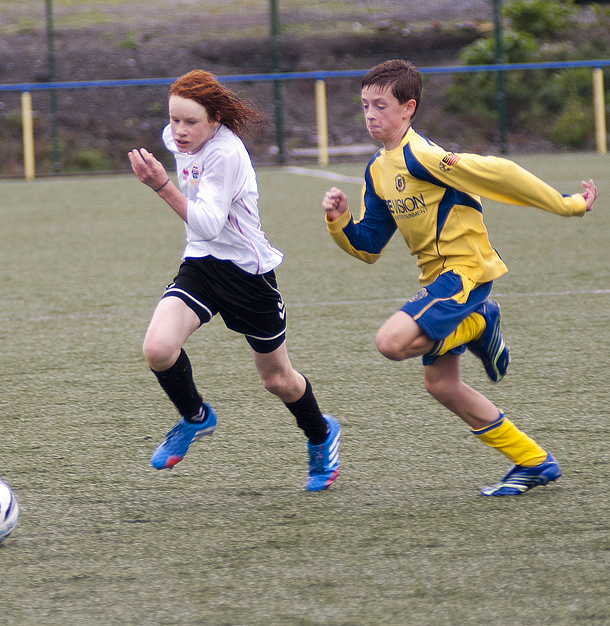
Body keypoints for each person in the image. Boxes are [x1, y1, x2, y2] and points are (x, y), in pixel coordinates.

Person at [322, 59, 597, 496]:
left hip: (464, 270)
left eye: (380, 105)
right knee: (442, 385)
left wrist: (569, 204)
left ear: (408, 108)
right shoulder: (377, 169)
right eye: (364, 105)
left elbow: (500, 173)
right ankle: (533, 461)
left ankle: (480, 321)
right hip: (438, 278)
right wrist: (339, 223)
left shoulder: (424, 156)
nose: (370, 114)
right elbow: (368, 247)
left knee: (390, 342)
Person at [128, 70, 341, 491]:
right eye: (174, 120)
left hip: (248, 274)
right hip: (202, 265)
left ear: (215, 119)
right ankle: (196, 417)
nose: (179, 131)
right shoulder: (176, 139)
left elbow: (207, 223)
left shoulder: (227, 153)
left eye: (191, 122)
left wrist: (162, 186)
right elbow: (204, 237)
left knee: (277, 380)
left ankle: (321, 434)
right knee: (157, 348)